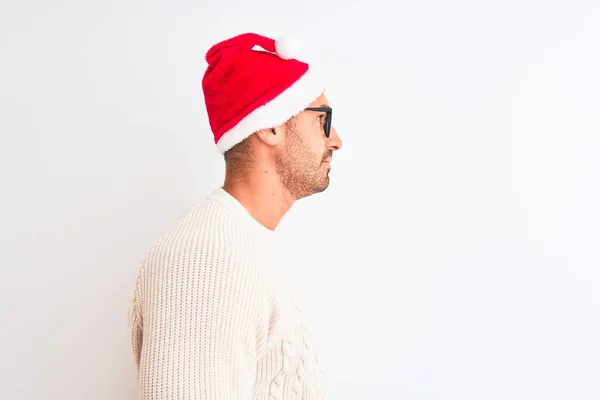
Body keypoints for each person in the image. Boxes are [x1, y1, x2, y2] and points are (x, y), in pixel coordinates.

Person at [128, 32, 343, 400]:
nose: (336, 139)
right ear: (269, 126)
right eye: (322, 120)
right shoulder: (205, 262)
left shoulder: (248, 245)